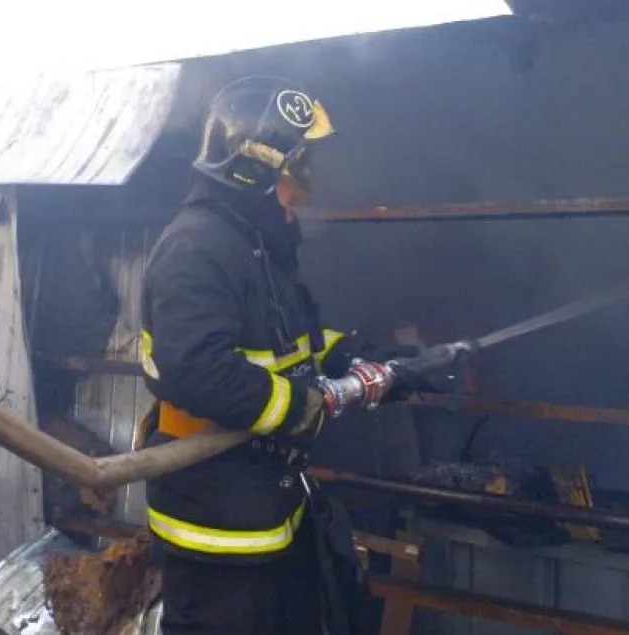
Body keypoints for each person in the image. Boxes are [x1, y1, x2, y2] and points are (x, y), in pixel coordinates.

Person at [139, 76, 424, 635]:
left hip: (269, 509)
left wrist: (369, 360)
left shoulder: (254, 246)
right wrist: (309, 406)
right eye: (298, 172)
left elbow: (292, 346)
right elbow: (199, 372)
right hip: (216, 528)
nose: (305, 189)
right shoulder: (196, 248)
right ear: (255, 174)